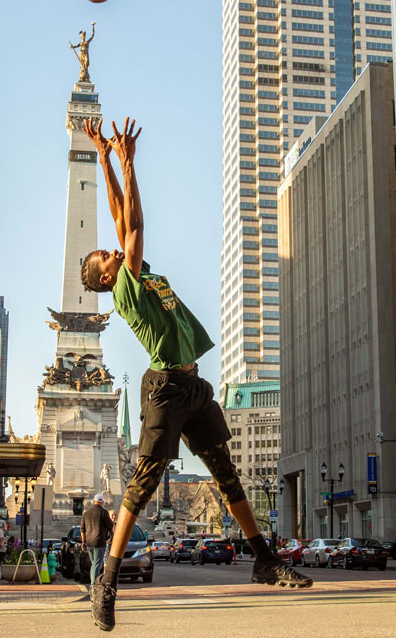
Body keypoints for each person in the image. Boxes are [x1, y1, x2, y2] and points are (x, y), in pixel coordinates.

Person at [79, 118, 311, 631]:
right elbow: (134, 224)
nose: (113, 248)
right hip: (163, 389)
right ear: (104, 276)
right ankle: (108, 580)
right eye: (105, 255)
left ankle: (264, 560)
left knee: (224, 469)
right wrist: (129, 161)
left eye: (110, 248)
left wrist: (104, 156)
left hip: (194, 386)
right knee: (143, 483)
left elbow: (121, 218)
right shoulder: (127, 286)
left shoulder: (132, 272)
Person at [81, 493, 114, 584]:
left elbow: (82, 530)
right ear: (102, 502)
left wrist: (83, 542)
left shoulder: (86, 513)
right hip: (99, 542)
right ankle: (93, 585)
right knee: (97, 564)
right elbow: (110, 526)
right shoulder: (103, 512)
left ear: (94, 501)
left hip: (89, 542)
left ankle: (93, 582)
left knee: (94, 564)